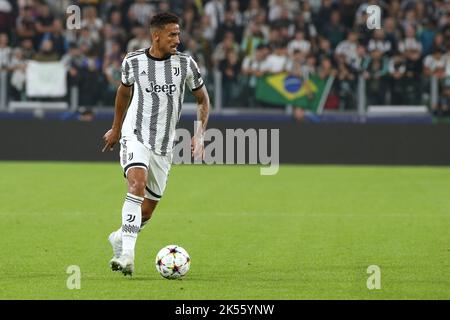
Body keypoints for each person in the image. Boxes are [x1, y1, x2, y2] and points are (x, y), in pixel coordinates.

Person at [101, 12, 210, 276]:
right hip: (135, 134)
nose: (178, 39)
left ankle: (119, 237)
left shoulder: (186, 65)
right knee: (136, 184)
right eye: (172, 34)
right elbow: (123, 92)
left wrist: (200, 133)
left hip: (163, 145)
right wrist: (116, 129)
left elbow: (203, 99)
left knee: (146, 212)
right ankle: (127, 255)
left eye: (179, 33)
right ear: (156, 35)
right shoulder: (134, 61)